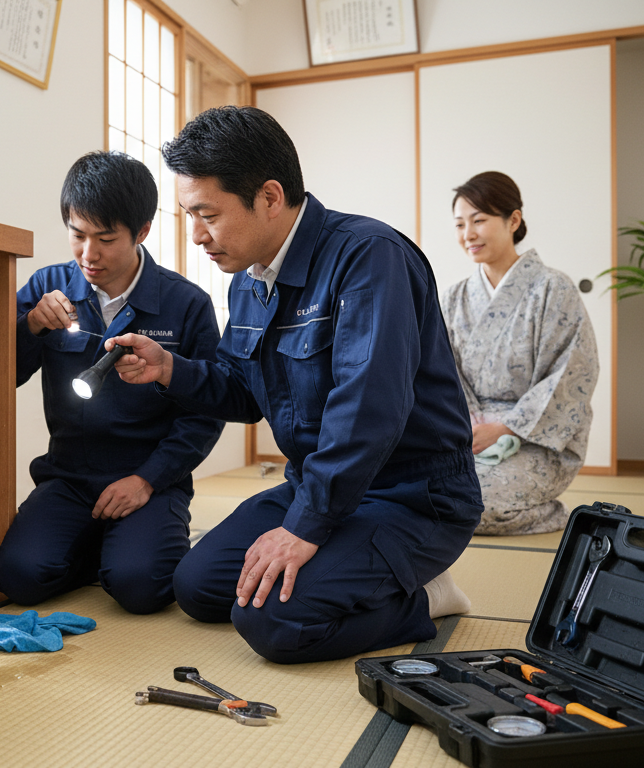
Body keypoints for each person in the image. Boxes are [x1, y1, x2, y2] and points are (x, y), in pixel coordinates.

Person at [110, 106, 483, 663]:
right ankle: (358, 565)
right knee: (199, 587)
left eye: (206, 214)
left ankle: (428, 596)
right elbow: (246, 390)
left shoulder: (368, 257)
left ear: (268, 196)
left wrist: (305, 528)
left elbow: (368, 409)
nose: (196, 237)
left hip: (411, 497)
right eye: (188, 216)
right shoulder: (248, 281)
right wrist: (170, 368)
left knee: (273, 619)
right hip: (319, 485)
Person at [0, 151, 225, 615]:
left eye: (105, 238)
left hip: (149, 480)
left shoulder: (186, 304)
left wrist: (147, 480)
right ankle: (101, 548)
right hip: (68, 477)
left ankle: (125, 550)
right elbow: (0, 378)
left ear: (141, 232)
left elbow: (206, 411)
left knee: (142, 588)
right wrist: (30, 328)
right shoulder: (47, 287)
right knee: (18, 578)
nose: (88, 254)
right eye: (77, 235)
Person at [444, 171, 599, 536]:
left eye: (479, 220)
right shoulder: (454, 298)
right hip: (469, 433)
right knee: (416, 491)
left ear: (513, 220)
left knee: (474, 503)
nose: (468, 234)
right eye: (460, 224)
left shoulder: (553, 289)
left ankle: (552, 514)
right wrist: (468, 425)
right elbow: (441, 373)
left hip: (534, 439)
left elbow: (572, 372)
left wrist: (505, 427)